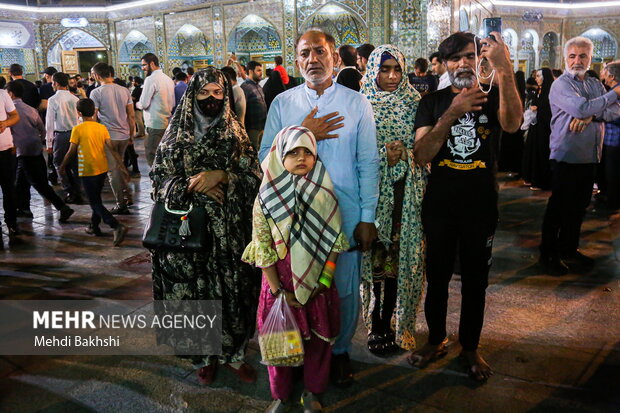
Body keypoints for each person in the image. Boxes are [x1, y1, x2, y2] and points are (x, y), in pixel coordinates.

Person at [261, 29, 379, 388]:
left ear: (335, 58)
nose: (313, 59)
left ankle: (339, 352)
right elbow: (264, 161)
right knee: (296, 287)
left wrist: (368, 218)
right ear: (296, 61)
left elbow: (368, 163)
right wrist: (303, 130)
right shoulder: (284, 104)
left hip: (343, 214)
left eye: (320, 51)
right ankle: (298, 356)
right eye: (304, 53)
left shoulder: (357, 103)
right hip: (291, 218)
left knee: (342, 289)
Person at [410, 31, 522, 381]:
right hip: (441, 205)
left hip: (480, 205)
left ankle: (471, 346)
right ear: (443, 64)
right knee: (438, 276)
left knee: (476, 281)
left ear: (479, 60)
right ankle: (436, 338)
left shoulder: (493, 95)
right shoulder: (432, 101)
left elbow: (513, 124)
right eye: (454, 58)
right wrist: (452, 113)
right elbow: (421, 154)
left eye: (469, 56)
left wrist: (504, 70)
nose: (462, 63)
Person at [149, 67, 261, 385]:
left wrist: (224, 176)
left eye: (217, 92)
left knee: (232, 294)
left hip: (229, 237)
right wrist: (194, 184)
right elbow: (158, 181)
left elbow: (255, 177)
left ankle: (232, 355)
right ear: (192, 95)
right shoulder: (175, 136)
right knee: (195, 295)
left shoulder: (235, 134)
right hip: (186, 236)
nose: (210, 98)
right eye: (203, 92)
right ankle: (203, 355)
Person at [243, 125, 347, 413]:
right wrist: (278, 291)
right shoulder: (265, 197)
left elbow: (335, 241)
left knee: (318, 341)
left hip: (317, 285)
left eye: (308, 152)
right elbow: (262, 247)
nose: (301, 158)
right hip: (279, 284)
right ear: (279, 155)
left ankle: (313, 392)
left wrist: (324, 279)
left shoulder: (325, 193)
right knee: (281, 339)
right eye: (293, 152)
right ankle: (281, 394)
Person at [359, 45, 425, 355]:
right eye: (384, 70)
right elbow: (355, 152)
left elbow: (424, 150)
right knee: (375, 262)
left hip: (406, 200)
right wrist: (381, 156)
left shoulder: (414, 103)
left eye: (397, 69)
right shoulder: (361, 104)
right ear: (373, 70)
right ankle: (375, 324)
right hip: (374, 200)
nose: (391, 76)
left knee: (400, 263)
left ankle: (397, 322)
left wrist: (406, 155)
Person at [540, 37, 620, 275]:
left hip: (590, 156)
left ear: (590, 58)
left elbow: (615, 111)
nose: (577, 60)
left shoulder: (594, 85)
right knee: (559, 208)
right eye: (573, 56)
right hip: (566, 155)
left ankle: (568, 249)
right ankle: (548, 254)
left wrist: (590, 116)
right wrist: (614, 93)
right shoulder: (561, 84)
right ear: (565, 58)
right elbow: (580, 108)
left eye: (583, 56)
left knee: (579, 208)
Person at [59, 98, 128, 245]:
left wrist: (62, 165)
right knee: (96, 198)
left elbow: (71, 151)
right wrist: (121, 165)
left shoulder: (78, 129)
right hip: (101, 168)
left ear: (78, 112)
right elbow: (111, 148)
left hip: (88, 170)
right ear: (94, 111)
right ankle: (94, 226)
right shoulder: (101, 128)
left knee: (94, 202)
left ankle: (115, 225)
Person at [6, 81, 74, 222]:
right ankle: (24, 208)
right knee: (22, 182)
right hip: (34, 148)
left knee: (38, 183)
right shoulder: (30, 109)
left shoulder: (9, 112)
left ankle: (62, 207)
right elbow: (41, 129)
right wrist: (39, 141)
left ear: (11, 94)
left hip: (22, 151)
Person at [90, 62, 136, 214]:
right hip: (123, 135)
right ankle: (127, 196)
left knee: (113, 171)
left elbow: (94, 117)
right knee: (120, 165)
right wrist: (131, 134)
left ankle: (121, 204)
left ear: (97, 75)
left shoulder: (96, 93)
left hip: (108, 136)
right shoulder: (124, 90)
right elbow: (131, 115)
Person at [46, 72, 82, 204]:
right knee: (75, 164)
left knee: (59, 163)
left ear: (55, 83)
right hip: (75, 133)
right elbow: (80, 119)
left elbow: (49, 123)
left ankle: (69, 190)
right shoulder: (75, 99)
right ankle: (78, 190)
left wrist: (49, 142)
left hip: (61, 135)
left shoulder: (53, 99)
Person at [138, 53, 175, 167]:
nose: (143, 68)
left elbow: (144, 104)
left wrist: (137, 104)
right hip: (166, 122)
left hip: (154, 123)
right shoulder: (168, 79)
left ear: (152, 64)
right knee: (163, 155)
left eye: (144, 65)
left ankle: (157, 182)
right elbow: (172, 103)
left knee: (152, 154)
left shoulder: (151, 79)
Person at [521, 68, 554, 190]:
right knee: (533, 152)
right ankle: (531, 178)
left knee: (541, 153)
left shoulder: (550, 92)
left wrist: (538, 109)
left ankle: (541, 181)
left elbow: (550, 111)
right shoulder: (539, 92)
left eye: (539, 76)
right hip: (535, 128)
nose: (536, 78)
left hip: (544, 129)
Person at [0, 81, 20, 247]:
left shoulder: (2, 94)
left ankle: (12, 222)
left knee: (8, 188)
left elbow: (15, 116)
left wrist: (5, 123)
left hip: (4, 149)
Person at [600, 62, 620, 210]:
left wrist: (600, 116)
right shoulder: (612, 91)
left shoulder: (616, 92)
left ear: (612, 76)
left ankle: (613, 202)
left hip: (615, 140)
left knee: (613, 173)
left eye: (605, 73)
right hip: (611, 139)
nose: (604, 77)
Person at [241, 61, 267, 150]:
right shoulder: (245, 87)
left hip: (261, 127)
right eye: (258, 71)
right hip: (252, 129)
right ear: (251, 71)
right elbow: (242, 110)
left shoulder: (258, 86)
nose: (261, 73)